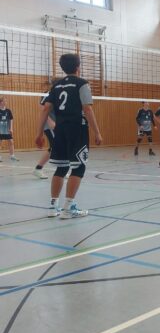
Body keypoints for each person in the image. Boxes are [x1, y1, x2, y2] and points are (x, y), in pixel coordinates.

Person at [35, 54, 103, 218]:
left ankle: (53, 207)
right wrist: (97, 132)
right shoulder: (82, 83)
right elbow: (87, 109)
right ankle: (67, 209)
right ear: (78, 67)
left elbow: (46, 108)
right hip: (77, 129)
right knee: (78, 168)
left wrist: (39, 133)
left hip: (60, 130)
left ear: (63, 68)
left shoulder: (56, 86)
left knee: (62, 167)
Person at [33, 84, 56, 179]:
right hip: (50, 124)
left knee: (54, 147)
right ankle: (38, 169)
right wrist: (50, 121)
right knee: (55, 146)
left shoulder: (59, 93)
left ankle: (38, 169)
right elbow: (43, 108)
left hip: (57, 123)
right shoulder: (47, 94)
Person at [0, 97, 18, 162]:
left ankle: (12, 156)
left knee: (11, 142)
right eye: (4, 101)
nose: (5, 102)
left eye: (6, 101)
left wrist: (11, 128)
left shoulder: (8, 111)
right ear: (1, 102)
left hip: (7, 130)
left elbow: (11, 119)